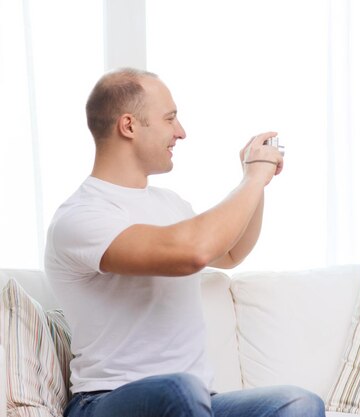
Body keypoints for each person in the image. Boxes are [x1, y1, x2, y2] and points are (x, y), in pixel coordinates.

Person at [44, 68, 325, 417]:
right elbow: (192, 253)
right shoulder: (81, 217)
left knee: (299, 403)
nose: (181, 132)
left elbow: (232, 251)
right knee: (180, 388)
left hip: (196, 402)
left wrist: (255, 181)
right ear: (128, 126)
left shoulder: (170, 204)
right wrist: (252, 180)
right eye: (170, 119)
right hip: (107, 400)